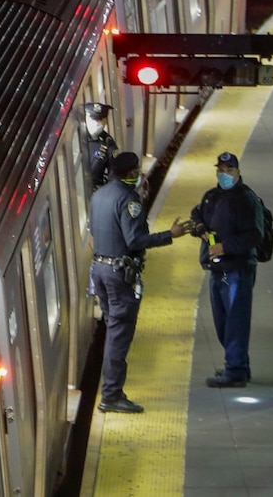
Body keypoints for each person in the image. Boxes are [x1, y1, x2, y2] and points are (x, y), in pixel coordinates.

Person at [89, 151, 188, 413]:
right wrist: (171, 234)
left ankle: (111, 391)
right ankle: (111, 396)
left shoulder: (99, 195)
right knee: (118, 336)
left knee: (113, 330)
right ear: (132, 173)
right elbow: (134, 241)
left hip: (99, 269)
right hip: (119, 275)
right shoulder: (127, 199)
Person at [189, 151, 264, 387]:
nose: (224, 175)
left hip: (237, 270)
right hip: (218, 270)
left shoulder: (246, 200)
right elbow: (197, 213)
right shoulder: (212, 196)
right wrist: (199, 226)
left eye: (229, 170)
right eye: (220, 170)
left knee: (235, 320)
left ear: (238, 172)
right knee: (223, 321)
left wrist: (224, 247)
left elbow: (255, 236)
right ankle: (238, 362)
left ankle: (236, 370)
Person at [84, 102, 118, 189]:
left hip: (95, 190)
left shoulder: (108, 143)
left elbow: (114, 174)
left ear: (105, 121)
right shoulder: (76, 137)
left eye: (100, 120)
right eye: (93, 119)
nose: (96, 123)